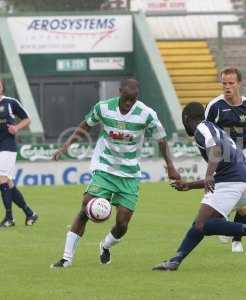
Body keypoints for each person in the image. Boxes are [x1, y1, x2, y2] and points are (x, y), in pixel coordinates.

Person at [50, 78, 180, 268]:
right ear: (120, 92)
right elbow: (85, 124)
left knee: (122, 224)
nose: (129, 102)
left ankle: (105, 246)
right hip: (105, 167)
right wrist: (66, 146)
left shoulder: (147, 114)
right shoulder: (103, 108)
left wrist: (171, 166)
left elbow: (161, 140)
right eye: (127, 98)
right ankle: (66, 258)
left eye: (133, 99)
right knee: (85, 207)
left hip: (129, 174)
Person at [152, 102, 246, 271]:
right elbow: (219, 171)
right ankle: (176, 260)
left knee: (202, 224)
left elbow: (216, 150)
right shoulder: (216, 130)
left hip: (232, 182)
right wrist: (189, 185)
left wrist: (207, 175)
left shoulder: (202, 128)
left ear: (186, 119)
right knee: (202, 222)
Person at [205, 67, 246, 253]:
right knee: (218, 198)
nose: (227, 87)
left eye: (231, 83)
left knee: (243, 204)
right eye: (224, 83)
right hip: (221, 157)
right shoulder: (214, 106)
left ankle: (236, 239)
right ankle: (225, 221)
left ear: (239, 84)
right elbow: (206, 134)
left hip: (242, 155)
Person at [0, 79, 38, 228]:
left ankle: (9, 218)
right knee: (8, 184)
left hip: (7, 146)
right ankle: (30, 213)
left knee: (2, 180)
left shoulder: (10, 102)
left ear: (2, 87)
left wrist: (16, 128)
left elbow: (27, 118)